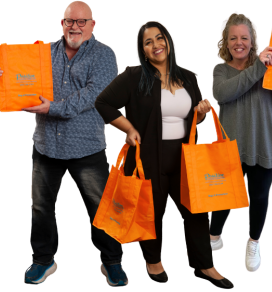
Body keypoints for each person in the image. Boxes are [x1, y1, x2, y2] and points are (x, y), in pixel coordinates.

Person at [0, 0, 126, 286]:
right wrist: (5, 79)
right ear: (61, 23)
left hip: (86, 147)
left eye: (81, 22)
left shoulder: (105, 55)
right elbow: (25, 87)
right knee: (40, 207)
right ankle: (43, 260)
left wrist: (54, 108)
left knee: (102, 207)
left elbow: (95, 95)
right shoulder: (41, 54)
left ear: (92, 25)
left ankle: (112, 261)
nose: (74, 27)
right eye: (69, 21)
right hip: (45, 145)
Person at [94, 21, 233, 288]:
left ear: (168, 42)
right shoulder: (134, 76)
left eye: (160, 38)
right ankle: (154, 261)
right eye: (149, 42)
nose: (156, 45)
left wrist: (201, 112)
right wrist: (129, 128)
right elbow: (104, 103)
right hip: (147, 156)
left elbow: (193, 118)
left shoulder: (189, 78)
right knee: (151, 212)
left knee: (196, 211)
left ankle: (205, 265)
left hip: (184, 157)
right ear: (143, 51)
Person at [208, 10, 272, 274]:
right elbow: (222, 93)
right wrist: (258, 67)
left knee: (258, 197)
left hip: (264, 145)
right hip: (230, 149)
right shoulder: (220, 70)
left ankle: (253, 242)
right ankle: (213, 236)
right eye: (232, 38)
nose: (238, 43)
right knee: (223, 197)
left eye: (243, 37)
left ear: (252, 40)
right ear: (226, 41)